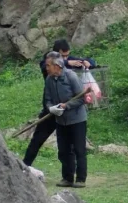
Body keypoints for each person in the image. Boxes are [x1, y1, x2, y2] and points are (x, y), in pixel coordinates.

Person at [22, 38, 92, 174]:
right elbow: (44, 65)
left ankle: (71, 176)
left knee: (68, 147)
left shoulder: (68, 71)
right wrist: (67, 62)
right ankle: (24, 166)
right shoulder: (47, 64)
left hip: (68, 112)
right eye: (62, 55)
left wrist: (87, 62)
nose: (65, 58)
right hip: (50, 111)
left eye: (67, 55)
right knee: (37, 139)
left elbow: (89, 62)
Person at [41, 51, 89, 188]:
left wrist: (66, 106)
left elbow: (82, 98)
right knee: (63, 150)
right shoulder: (49, 80)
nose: (47, 68)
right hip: (61, 121)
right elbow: (48, 99)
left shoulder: (71, 76)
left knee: (79, 149)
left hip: (77, 120)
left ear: (57, 65)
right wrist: (51, 108)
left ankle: (80, 179)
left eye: (48, 65)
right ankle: (67, 178)